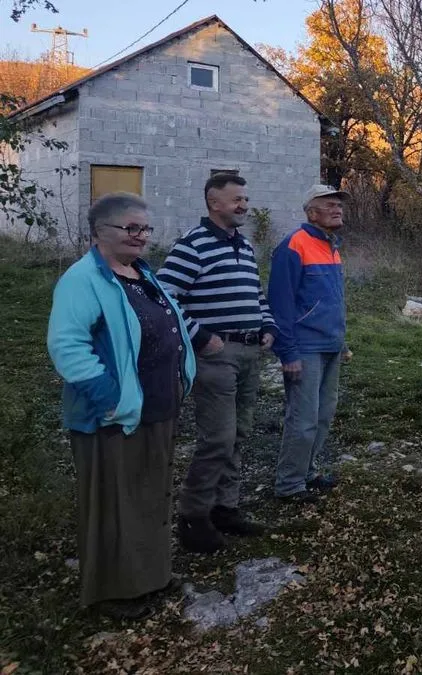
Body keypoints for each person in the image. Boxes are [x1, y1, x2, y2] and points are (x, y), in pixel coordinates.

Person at [46, 192, 197, 620]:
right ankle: (115, 592)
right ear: (99, 232)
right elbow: (68, 346)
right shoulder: (83, 279)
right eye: (130, 228)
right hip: (111, 417)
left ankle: (149, 578)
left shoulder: (140, 274)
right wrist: (111, 400)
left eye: (145, 229)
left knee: (149, 495)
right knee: (116, 503)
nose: (141, 236)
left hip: (156, 409)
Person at [158, 172, 275, 553]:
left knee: (239, 433)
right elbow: (163, 296)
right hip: (215, 356)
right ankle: (192, 517)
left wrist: (267, 324)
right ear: (214, 202)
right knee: (218, 439)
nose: (244, 205)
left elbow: (255, 293)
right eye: (237, 199)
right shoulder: (192, 245)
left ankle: (225, 508)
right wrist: (200, 336)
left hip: (248, 353)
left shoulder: (243, 244)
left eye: (245, 198)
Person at [267, 184, 351, 503]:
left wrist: (342, 342)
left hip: (330, 344)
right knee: (302, 419)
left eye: (339, 205)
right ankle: (289, 484)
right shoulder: (293, 246)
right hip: (304, 347)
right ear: (311, 212)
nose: (337, 209)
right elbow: (281, 304)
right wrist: (287, 352)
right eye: (329, 204)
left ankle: (307, 470)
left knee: (323, 415)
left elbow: (333, 300)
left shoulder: (332, 246)